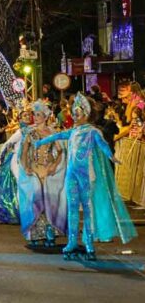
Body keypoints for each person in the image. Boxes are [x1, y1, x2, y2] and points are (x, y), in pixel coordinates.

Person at [35, 93, 137, 261]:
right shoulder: (73, 131)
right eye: (73, 112)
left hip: (86, 176)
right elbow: (57, 136)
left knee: (88, 210)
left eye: (78, 112)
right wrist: (40, 142)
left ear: (86, 114)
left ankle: (89, 243)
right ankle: (72, 242)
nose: (74, 115)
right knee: (73, 209)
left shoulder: (93, 132)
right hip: (71, 175)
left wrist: (112, 156)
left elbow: (103, 145)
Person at [16, 101, 67, 247]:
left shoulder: (53, 133)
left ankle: (50, 232)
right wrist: (26, 168)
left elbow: (61, 151)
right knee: (36, 202)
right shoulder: (29, 133)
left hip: (48, 171)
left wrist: (55, 166)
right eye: (34, 115)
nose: (35, 117)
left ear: (45, 117)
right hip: (35, 170)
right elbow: (24, 153)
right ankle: (37, 233)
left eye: (38, 115)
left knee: (49, 203)